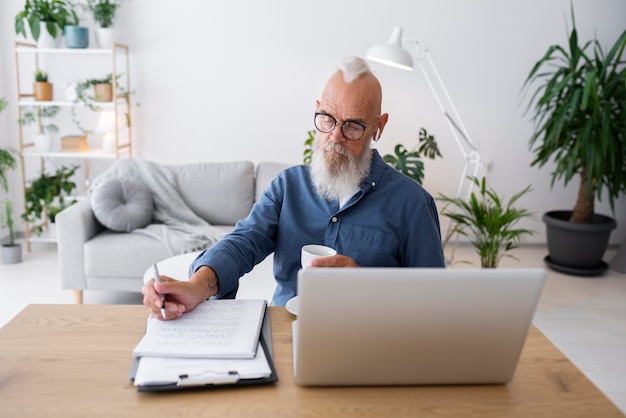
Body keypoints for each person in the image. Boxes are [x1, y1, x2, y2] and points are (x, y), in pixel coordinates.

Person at [143, 56, 445, 320]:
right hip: (286, 332)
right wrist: (196, 287)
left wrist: (366, 288)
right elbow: (243, 243)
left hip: (371, 338)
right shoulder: (289, 186)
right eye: (327, 119)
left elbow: (436, 301)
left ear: (379, 126)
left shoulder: (413, 204)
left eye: (353, 126)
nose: (335, 137)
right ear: (317, 110)